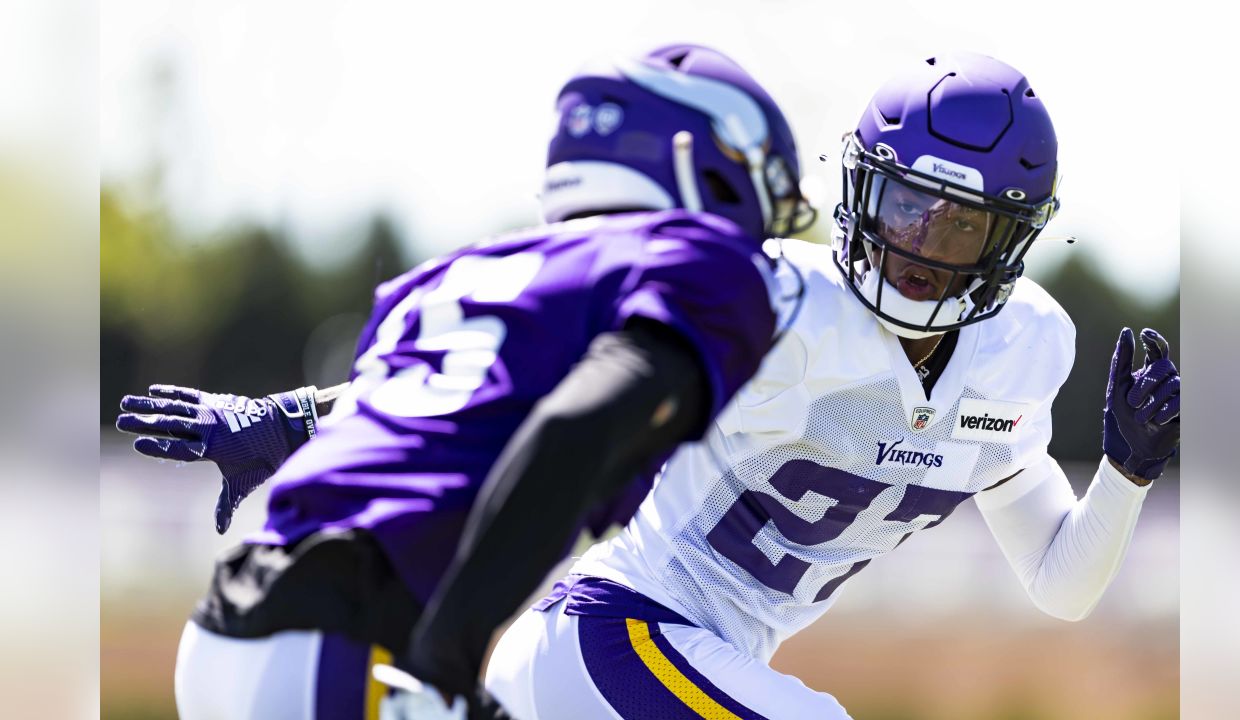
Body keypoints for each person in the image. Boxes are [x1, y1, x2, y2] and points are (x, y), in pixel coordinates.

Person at [448, 51, 1181, 719]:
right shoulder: (783, 306)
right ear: (862, 187)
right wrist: (348, 417)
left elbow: (1062, 585)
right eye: (903, 203)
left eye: (957, 225)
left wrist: (1126, 474)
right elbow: (551, 371)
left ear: (1008, 238)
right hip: (614, 638)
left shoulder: (1020, 350)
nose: (916, 245)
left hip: (679, 675)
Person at [116, 43, 814, 719]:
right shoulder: (701, 263)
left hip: (228, 629)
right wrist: (445, 665)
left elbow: (441, 414)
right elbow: (578, 428)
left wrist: (282, 421)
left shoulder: (453, 275)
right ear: (705, 160)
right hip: (356, 639)